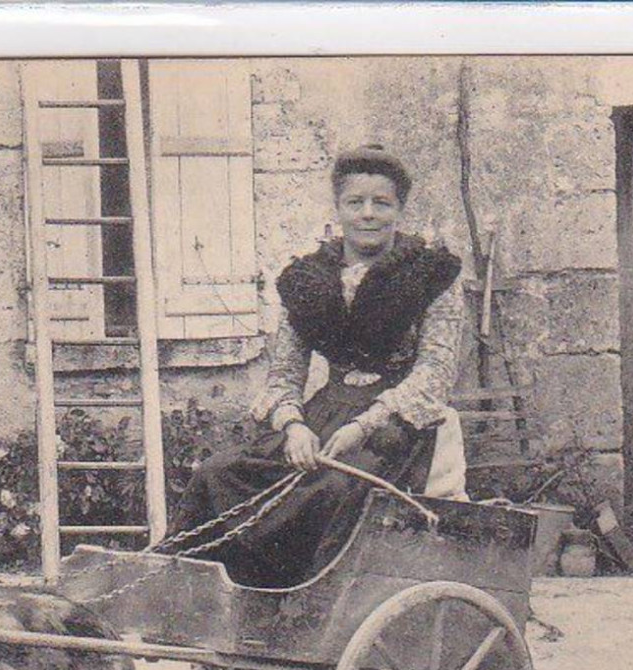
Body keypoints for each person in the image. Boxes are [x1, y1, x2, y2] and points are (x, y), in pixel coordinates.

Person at [164, 145, 468, 588]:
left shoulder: (432, 273)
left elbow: (435, 372)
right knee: (219, 475)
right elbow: (285, 373)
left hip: (396, 427)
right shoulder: (308, 280)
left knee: (336, 493)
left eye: (381, 203)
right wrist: (293, 426)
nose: (368, 214)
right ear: (339, 208)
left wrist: (365, 426)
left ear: (400, 209)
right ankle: (222, 603)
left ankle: (307, 617)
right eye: (355, 202)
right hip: (323, 417)